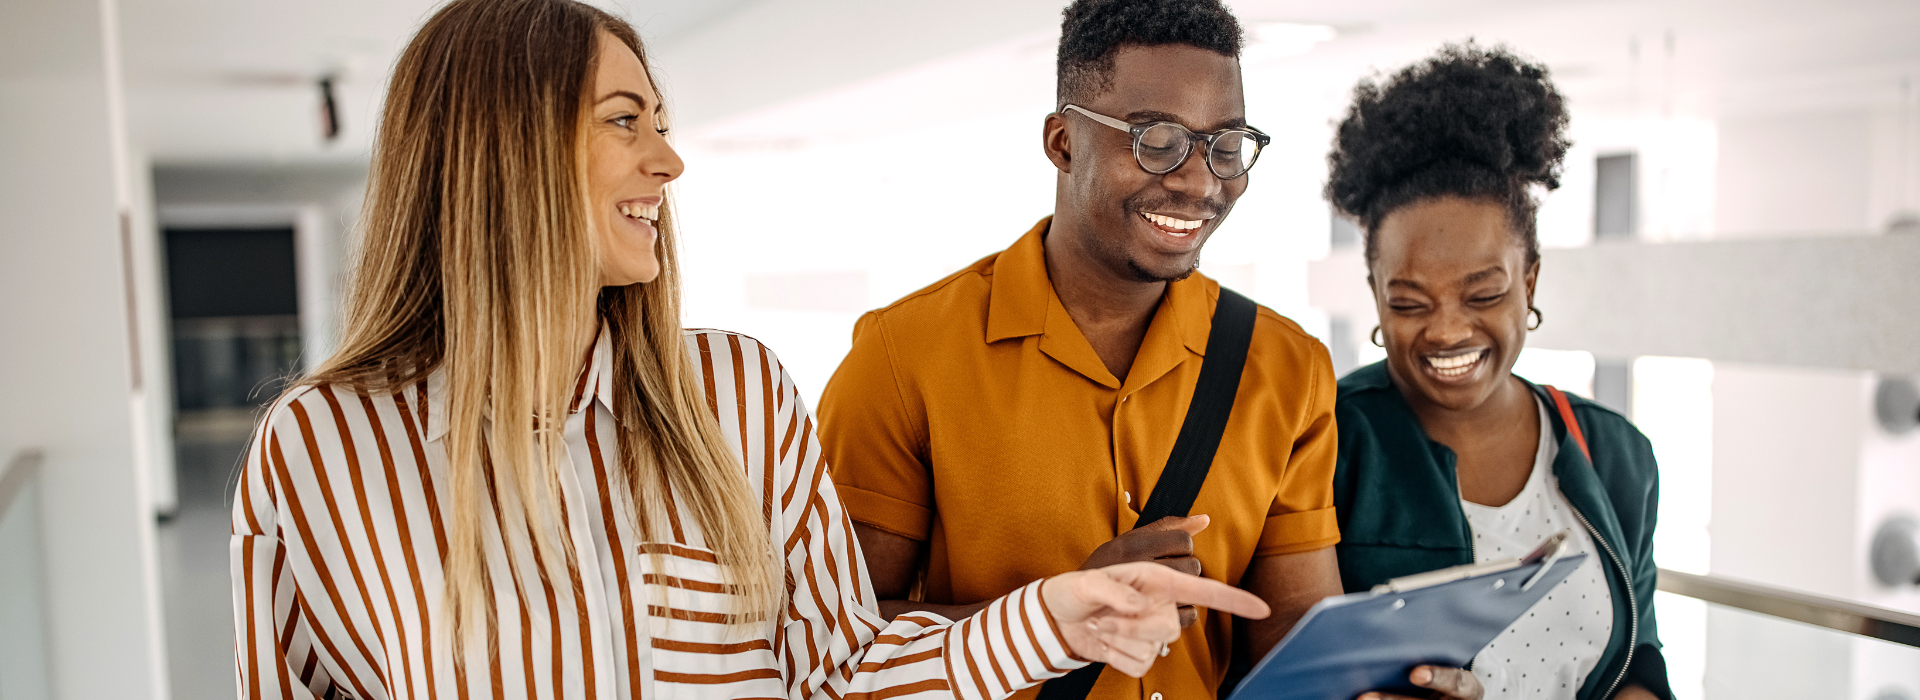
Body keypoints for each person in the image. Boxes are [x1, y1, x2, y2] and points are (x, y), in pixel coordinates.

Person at [226, 1, 1269, 698]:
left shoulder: (737, 393)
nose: (669, 159)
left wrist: (1054, 617)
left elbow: (839, 667)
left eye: (662, 120)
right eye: (625, 121)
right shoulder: (315, 452)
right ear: (506, 148)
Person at [818, 2, 1472, 699]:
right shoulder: (903, 355)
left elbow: (1289, 627)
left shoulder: (1287, 367)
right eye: (1157, 140)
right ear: (1064, 141)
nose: (1199, 182)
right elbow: (838, 644)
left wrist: (1369, 685)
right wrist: (1048, 621)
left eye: (1226, 145)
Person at [1324, 43, 1672, 700]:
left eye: (1483, 294)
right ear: (1374, 294)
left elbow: (1637, 657)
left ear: (1529, 282)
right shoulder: (1329, 441)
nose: (1449, 331)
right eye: (1408, 302)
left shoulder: (1616, 454)